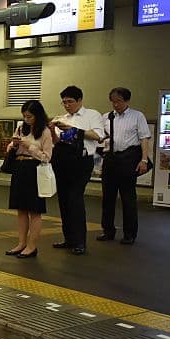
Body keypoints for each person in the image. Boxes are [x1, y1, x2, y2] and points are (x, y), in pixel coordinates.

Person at [49, 86, 105, 255]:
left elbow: (98, 136)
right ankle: (69, 238)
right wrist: (52, 129)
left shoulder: (92, 115)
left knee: (75, 199)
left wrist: (74, 130)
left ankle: (80, 241)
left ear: (80, 100)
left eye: (70, 102)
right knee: (64, 200)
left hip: (81, 161)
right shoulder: (62, 118)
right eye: (64, 102)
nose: (67, 105)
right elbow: (56, 142)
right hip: (62, 161)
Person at [98, 87, 151, 246]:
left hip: (128, 159)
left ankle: (130, 234)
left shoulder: (137, 116)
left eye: (119, 101)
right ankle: (108, 230)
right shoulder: (106, 117)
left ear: (127, 101)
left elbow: (144, 138)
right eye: (113, 101)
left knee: (128, 198)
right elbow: (100, 136)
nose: (115, 105)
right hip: (110, 159)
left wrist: (144, 160)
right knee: (107, 197)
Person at [4, 100, 53, 259]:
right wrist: (13, 145)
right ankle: (21, 243)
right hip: (19, 168)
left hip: (35, 170)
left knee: (35, 210)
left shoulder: (45, 131)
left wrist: (29, 146)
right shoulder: (20, 127)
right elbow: (13, 146)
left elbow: (46, 157)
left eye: (30, 116)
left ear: (38, 116)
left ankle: (32, 246)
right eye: (24, 116)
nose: (26, 119)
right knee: (21, 209)